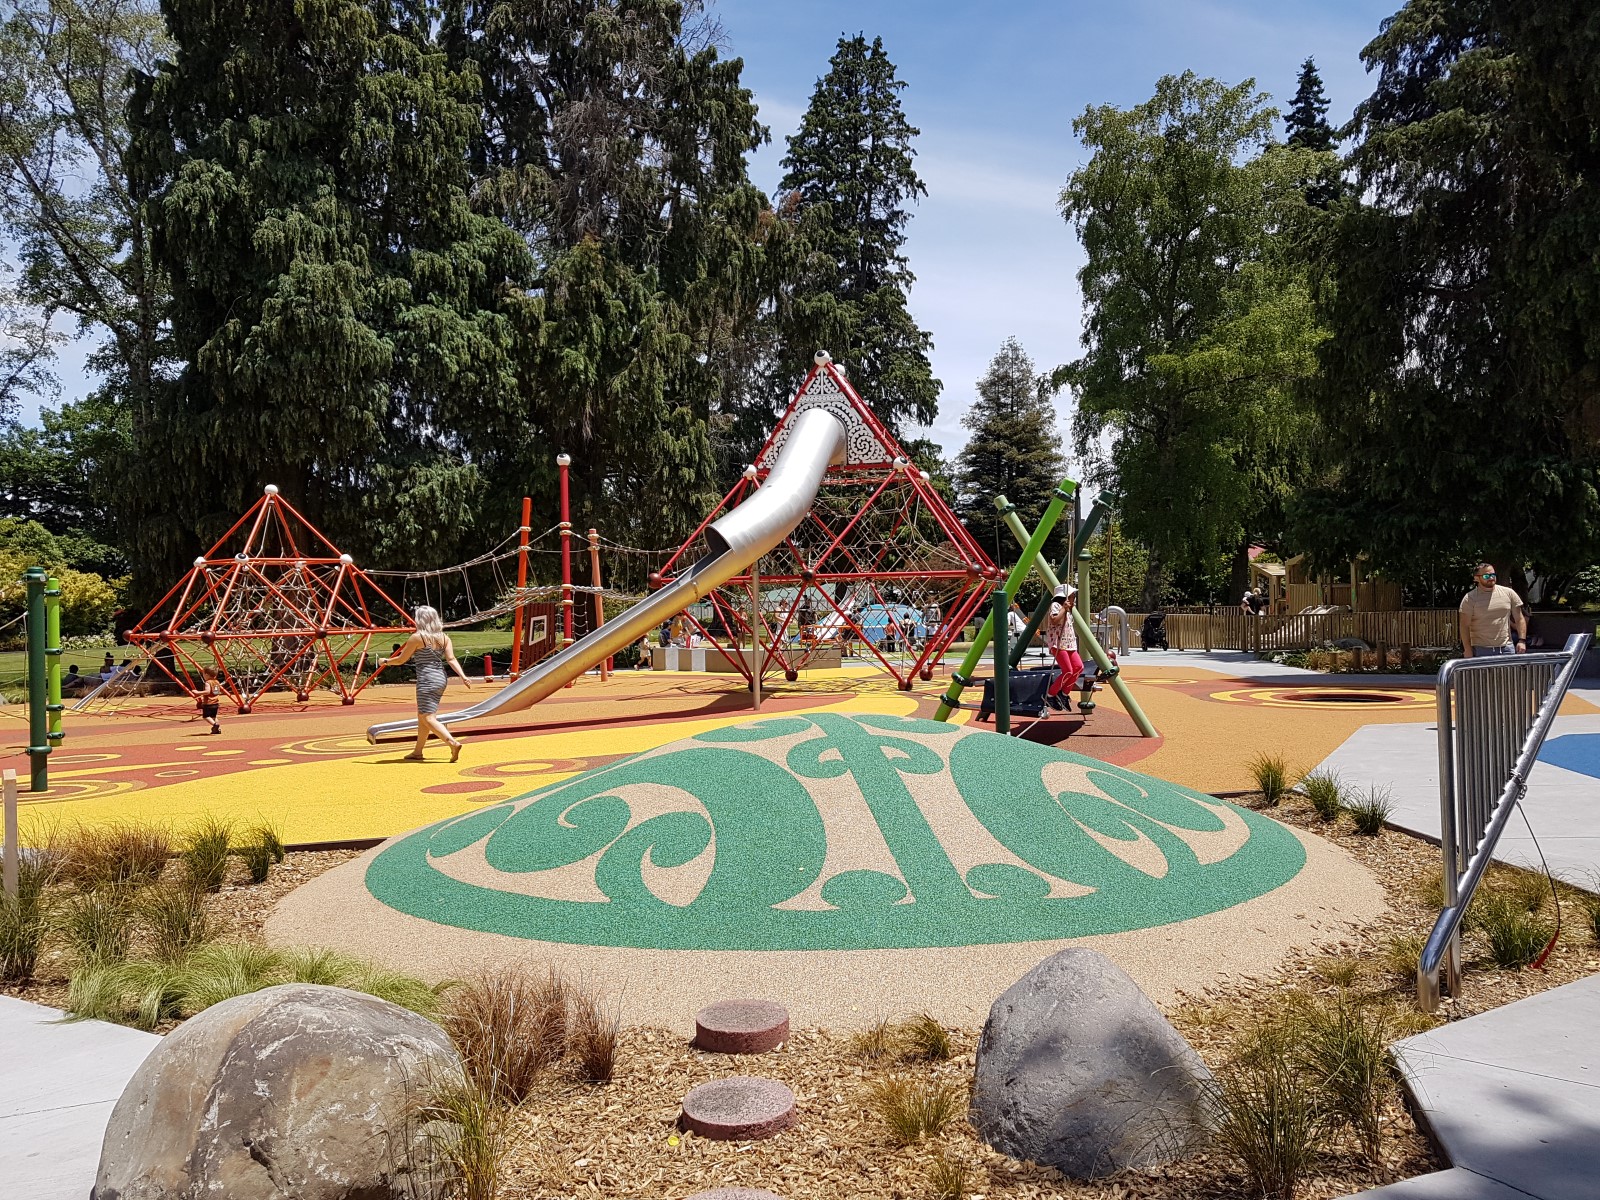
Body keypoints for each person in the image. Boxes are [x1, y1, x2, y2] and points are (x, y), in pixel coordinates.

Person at [379, 605, 473, 762]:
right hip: (440, 678)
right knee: (423, 715)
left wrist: (386, 661)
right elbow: (451, 659)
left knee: (428, 717)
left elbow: (402, 659)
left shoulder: (418, 637)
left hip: (426, 679)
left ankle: (452, 742)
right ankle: (418, 752)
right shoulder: (444, 638)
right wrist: (463, 676)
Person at [1459, 564, 1527, 658]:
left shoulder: (1509, 593)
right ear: (1476, 578)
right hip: (1480, 650)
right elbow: (1464, 626)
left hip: (1506, 648)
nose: (1491, 578)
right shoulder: (1469, 599)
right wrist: (1467, 649)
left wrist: (1522, 641)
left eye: (1493, 575)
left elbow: (1519, 618)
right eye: (1486, 576)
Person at [1044, 584, 1083, 712]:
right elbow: (1054, 620)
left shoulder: (1069, 610)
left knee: (1078, 667)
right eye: (1072, 596)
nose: (1074, 598)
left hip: (1069, 644)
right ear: (1065, 598)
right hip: (1058, 643)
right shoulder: (1056, 606)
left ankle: (1064, 694)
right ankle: (1050, 695)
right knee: (1068, 670)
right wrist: (1064, 609)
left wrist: (1068, 609)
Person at [196, 666, 223, 734]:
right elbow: (216, 692)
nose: (203, 676)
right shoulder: (216, 682)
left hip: (208, 703)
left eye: (203, 674)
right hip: (216, 703)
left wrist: (198, 692)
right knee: (214, 716)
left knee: (206, 716)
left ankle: (215, 725)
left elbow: (207, 691)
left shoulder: (208, 683)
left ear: (207, 674)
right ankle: (217, 729)